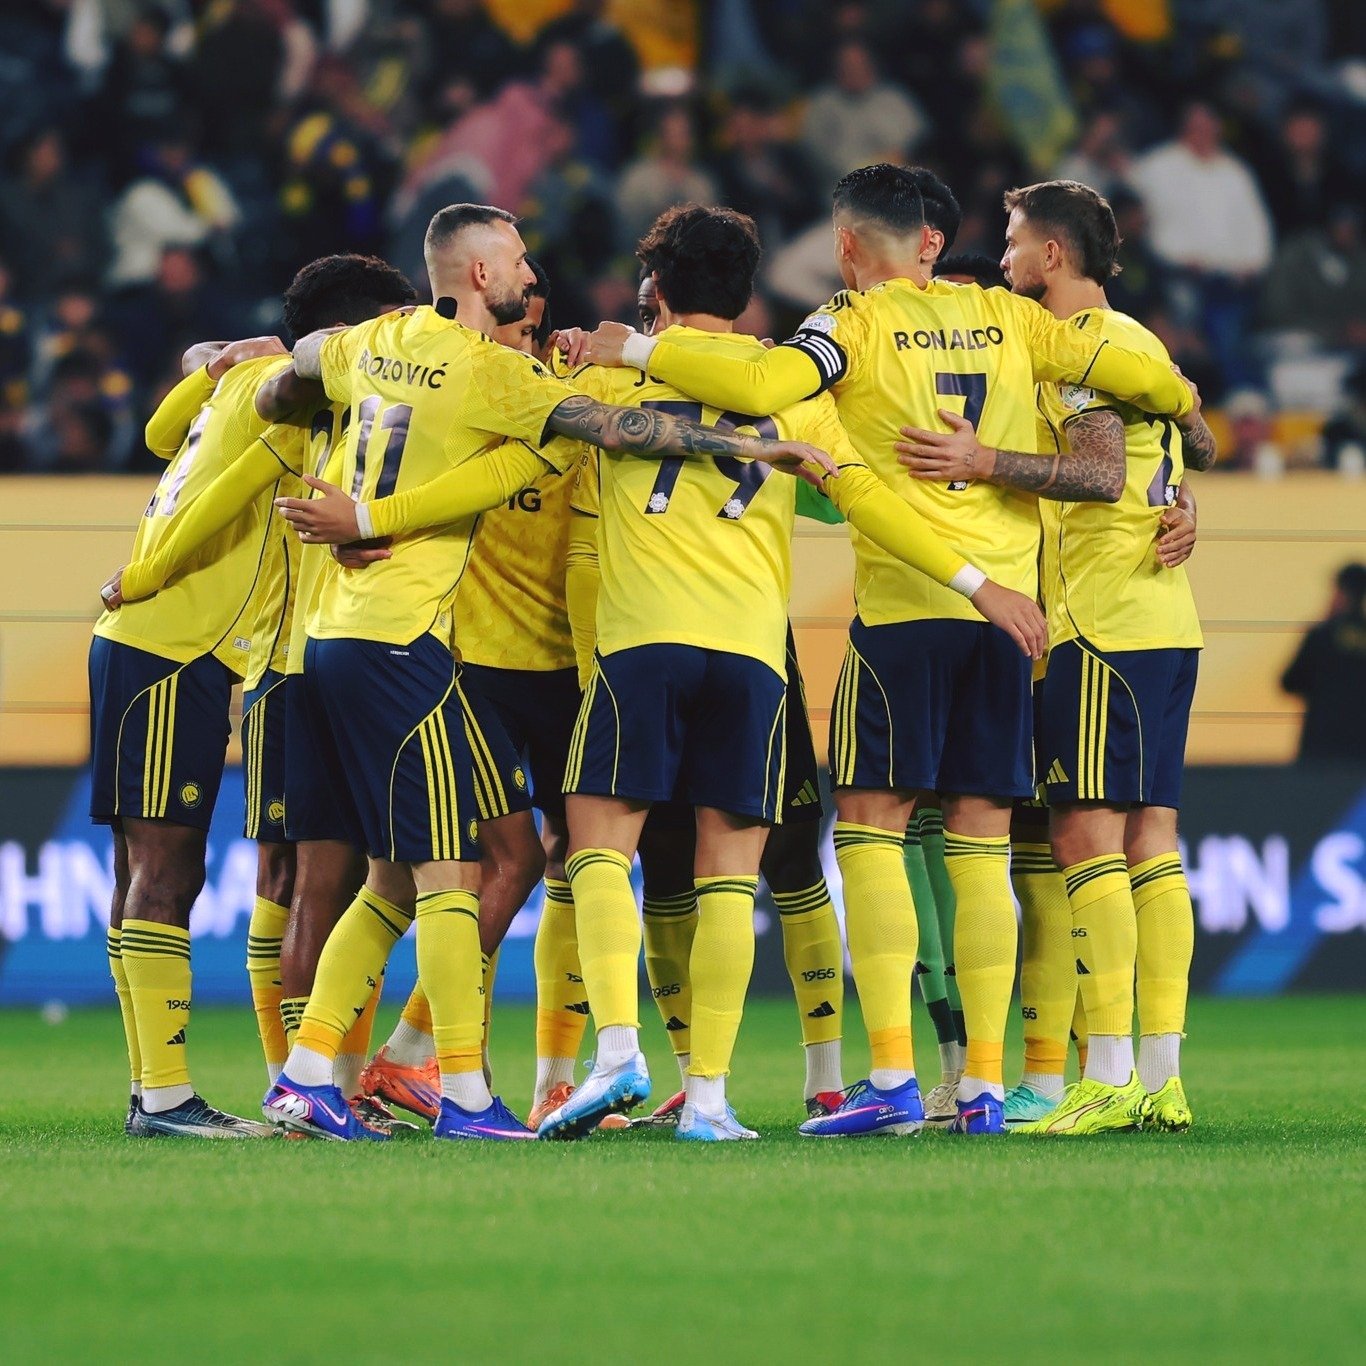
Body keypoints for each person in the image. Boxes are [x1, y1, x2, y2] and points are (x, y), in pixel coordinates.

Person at [574, 163, 1195, 1138]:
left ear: (847, 246)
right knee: (982, 851)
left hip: (907, 604)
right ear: (933, 241)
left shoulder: (849, 323)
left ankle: (895, 1079)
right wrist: (1185, 407)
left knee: (871, 830)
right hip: (1008, 615)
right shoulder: (1016, 319)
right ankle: (984, 1085)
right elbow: (1141, 381)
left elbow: (766, 385)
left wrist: (639, 346)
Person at [259, 202, 838, 1142]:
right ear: (482, 276)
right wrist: (753, 443)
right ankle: (432, 1085)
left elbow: (289, 383)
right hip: (436, 650)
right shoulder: (501, 378)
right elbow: (623, 434)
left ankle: (383, 1074)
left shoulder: (376, 343)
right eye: (521, 263)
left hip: (366, 640)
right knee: (455, 874)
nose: (535, 283)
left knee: (424, 874)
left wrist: (356, 498)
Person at [898, 179, 1217, 1134]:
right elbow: (1197, 438)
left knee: (1084, 838)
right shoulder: (1139, 342)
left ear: (1052, 255)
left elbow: (1099, 472)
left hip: (1101, 624)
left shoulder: (1076, 346)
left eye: (1010, 244)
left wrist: (985, 463)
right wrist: (1182, 500)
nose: (1002, 262)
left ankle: (1108, 1074)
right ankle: (1159, 1077)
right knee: (1152, 838)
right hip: (1164, 619)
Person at [95, 256, 420, 1137]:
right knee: (165, 872)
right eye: (391, 328)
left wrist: (212, 360)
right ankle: (163, 1098)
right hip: (176, 641)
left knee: (144, 871)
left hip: (162, 644)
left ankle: (154, 1089)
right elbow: (226, 490)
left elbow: (160, 435)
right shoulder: (294, 398)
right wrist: (146, 572)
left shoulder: (243, 379)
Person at [1282, 564, 1366, 765]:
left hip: (1320, 748)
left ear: (1341, 593)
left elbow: (1289, 682)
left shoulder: (1322, 635)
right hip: (1359, 752)